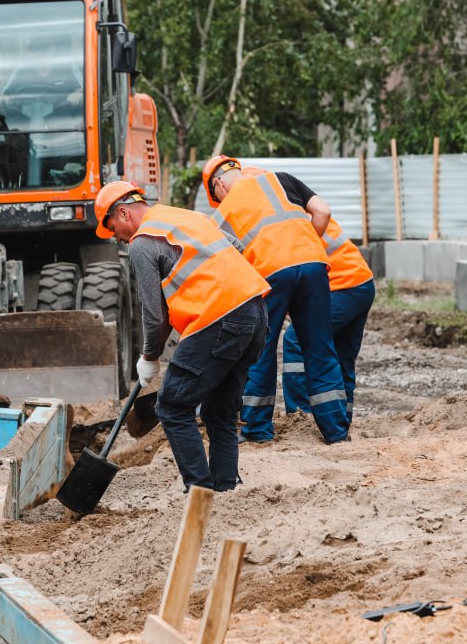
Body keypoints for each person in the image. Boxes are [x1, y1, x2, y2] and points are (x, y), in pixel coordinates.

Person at [94, 180, 269, 492]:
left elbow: (153, 313)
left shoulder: (142, 242)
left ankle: (199, 490)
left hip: (219, 319)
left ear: (122, 214)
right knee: (220, 412)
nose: (117, 238)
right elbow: (237, 249)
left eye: (111, 229)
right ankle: (225, 487)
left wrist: (149, 358)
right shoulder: (188, 217)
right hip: (254, 312)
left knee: (173, 407)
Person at [202, 156, 349, 445]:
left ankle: (257, 430)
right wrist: (304, 249)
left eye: (216, 197)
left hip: (269, 276)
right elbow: (323, 212)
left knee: (260, 351)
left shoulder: (220, 217)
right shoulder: (281, 179)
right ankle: (336, 432)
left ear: (218, 184)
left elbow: (225, 267)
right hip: (314, 264)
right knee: (321, 348)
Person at [280, 208, 375, 427]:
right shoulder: (296, 210)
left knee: (296, 340)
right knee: (342, 356)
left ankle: (300, 419)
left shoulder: (279, 221)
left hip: (340, 285)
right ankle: (342, 422)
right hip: (361, 283)